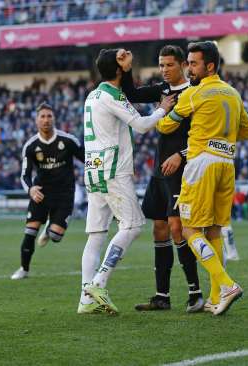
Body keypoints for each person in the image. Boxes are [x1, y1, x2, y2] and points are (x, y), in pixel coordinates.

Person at [157, 41, 248, 315]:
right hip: (227, 164)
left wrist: (164, 111)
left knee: (188, 229)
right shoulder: (233, 94)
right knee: (213, 230)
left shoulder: (194, 93)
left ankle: (226, 284)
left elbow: (165, 125)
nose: (189, 68)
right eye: (188, 62)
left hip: (201, 163)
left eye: (194, 63)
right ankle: (214, 298)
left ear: (209, 66)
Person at [78, 48, 175, 315]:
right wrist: (162, 110)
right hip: (112, 170)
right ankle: (98, 283)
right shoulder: (111, 95)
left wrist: (126, 68)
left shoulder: (93, 95)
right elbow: (142, 125)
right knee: (133, 225)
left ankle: (86, 299)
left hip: (93, 169)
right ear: (118, 69)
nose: (127, 56)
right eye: (122, 58)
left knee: (96, 234)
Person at [116, 45, 204, 312]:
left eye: (169, 65)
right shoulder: (162, 91)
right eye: (161, 65)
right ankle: (162, 297)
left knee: (178, 228)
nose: (164, 70)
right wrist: (126, 68)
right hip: (159, 171)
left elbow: (204, 136)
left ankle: (195, 293)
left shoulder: (195, 93)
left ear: (183, 66)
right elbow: (130, 93)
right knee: (160, 229)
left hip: (183, 170)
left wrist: (181, 154)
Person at [11, 103, 84, 280]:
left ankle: (51, 228)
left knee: (55, 236)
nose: (46, 120)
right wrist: (30, 189)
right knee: (30, 232)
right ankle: (24, 269)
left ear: (54, 118)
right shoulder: (31, 146)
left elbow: (87, 159)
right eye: (42, 116)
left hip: (64, 194)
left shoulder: (68, 140)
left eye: (49, 116)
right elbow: (24, 175)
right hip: (41, 193)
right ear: (36, 120)